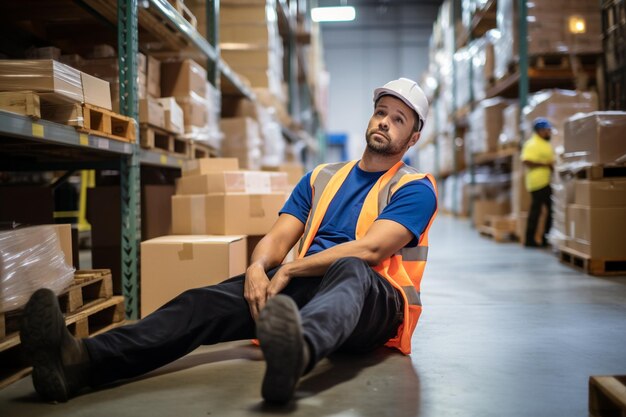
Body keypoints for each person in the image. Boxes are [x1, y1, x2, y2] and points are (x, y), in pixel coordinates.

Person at [20, 78, 438, 404]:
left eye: (398, 119)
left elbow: (371, 251)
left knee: (349, 268)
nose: (385, 121)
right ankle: (81, 360)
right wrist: (258, 270)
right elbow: (278, 236)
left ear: (413, 137)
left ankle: (297, 351)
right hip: (310, 286)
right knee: (203, 302)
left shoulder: (415, 187)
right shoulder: (322, 176)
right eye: (381, 112)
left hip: (374, 302)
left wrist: (289, 268)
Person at [521, 117, 555, 247]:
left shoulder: (545, 143)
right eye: (547, 130)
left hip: (546, 181)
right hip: (537, 182)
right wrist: (545, 164)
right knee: (537, 211)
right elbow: (526, 161)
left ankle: (545, 237)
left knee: (548, 210)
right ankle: (531, 240)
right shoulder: (532, 144)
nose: (549, 132)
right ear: (540, 131)